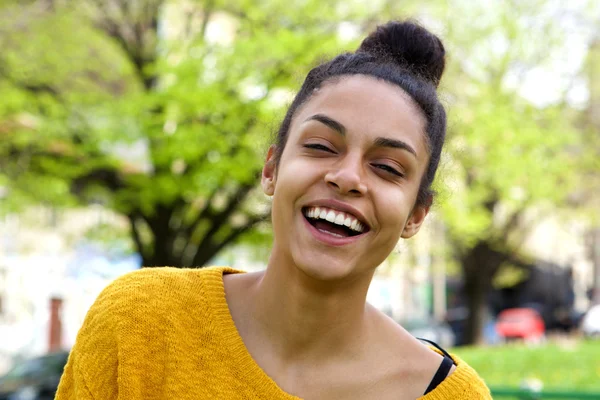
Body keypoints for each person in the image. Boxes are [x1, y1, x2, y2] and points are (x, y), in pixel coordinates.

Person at [56, 20, 491, 399]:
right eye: (321, 146)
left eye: (387, 167)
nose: (348, 177)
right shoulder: (137, 323)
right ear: (271, 168)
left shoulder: (455, 395)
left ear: (416, 215)